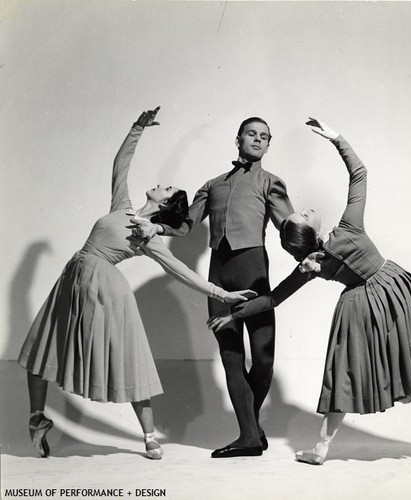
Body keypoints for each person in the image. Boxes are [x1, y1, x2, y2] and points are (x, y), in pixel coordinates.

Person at [207, 117, 411, 464]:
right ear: (309, 231)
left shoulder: (311, 265)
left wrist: (232, 312)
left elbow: (273, 298)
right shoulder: (347, 229)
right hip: (393, 289)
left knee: (345, 372)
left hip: (357, 306)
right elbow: (360, 173)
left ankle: (322, 447)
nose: (305, 208)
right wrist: (335, 138)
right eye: (303, 214)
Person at [18, 107, 256, 460]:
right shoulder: (122, 206)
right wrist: (137, 128)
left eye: (168, 187)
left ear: (164, 204)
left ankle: (148, 435)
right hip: (72, 278)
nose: (162, 182)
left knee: (126, 359)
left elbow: (181, 272)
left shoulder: (149, 236)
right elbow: (120, 167)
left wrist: (223, 293)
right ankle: (37, 419)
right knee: (43, 347)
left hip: (104, 289)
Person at [132, 117, 294, 457]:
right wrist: (154, 229)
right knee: (232, 358)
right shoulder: (212, 185)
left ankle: (251, 430)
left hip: (254, 272)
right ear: (238, 139)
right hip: (218, 273)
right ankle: (249, 436)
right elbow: (185, 225)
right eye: (252, 133)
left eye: (265, 136)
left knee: (263, 362)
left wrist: (311, 248)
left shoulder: (271, 183)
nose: (258, 140)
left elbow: (289, 228)